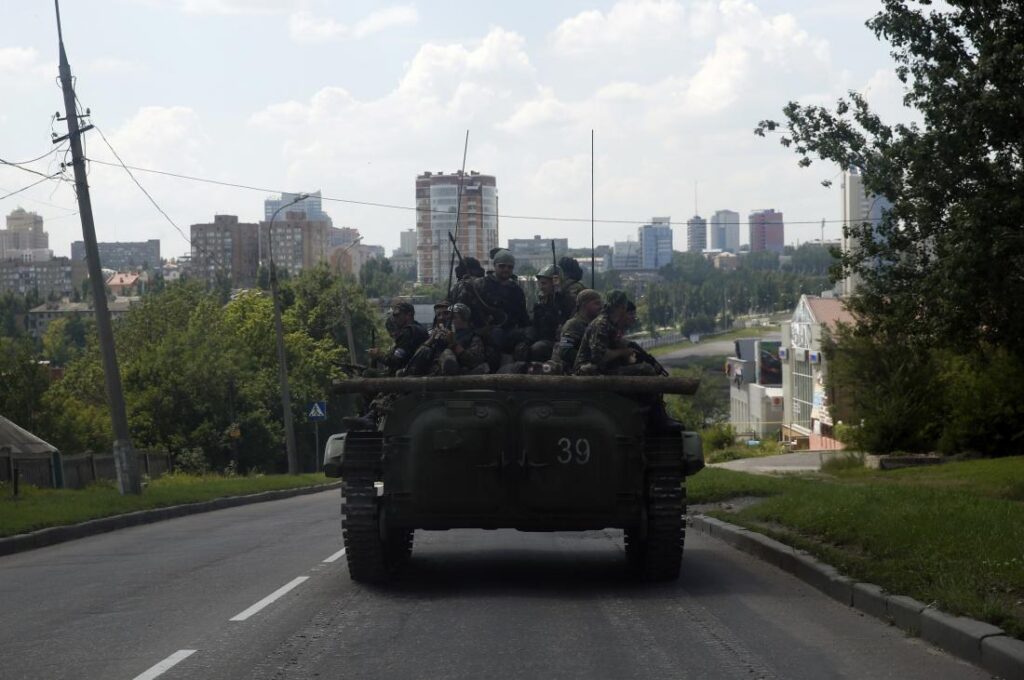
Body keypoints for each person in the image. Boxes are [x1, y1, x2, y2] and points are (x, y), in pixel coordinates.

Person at [573, 290, 657, 376]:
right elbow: (599, 357)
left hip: (601, 369)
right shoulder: (601, 324)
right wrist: (623, 352)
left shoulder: (610, 324)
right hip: (589, 371)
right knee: (646, 369)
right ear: (622, 307)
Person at [469, 248, 529, 353]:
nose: (506, 269)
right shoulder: (481, 285)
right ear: (495, 265)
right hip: (485, 334)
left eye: (510, 267)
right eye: (502, 266)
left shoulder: (517, 291)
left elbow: (523, 317)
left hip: (509, 334)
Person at [518, 264, 572, 361]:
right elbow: (535, 326)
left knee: (539, 348)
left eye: (544, 283)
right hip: (545, 339)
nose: (541, 287)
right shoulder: (541, 303)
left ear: (555, 283)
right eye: (540, 283)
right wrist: (526, 341)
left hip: (564, 341)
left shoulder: (567, 301)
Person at [365, 301, 428, 376]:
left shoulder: (408, 332)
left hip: (405, 376)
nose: (395, 318)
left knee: (367, 373)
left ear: (408, 315)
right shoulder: (420, 329)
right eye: (394, 315)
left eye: (397, 315)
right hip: (414, 373)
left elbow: (395, 362)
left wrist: (379, 356)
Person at [550, 289, 602, 374]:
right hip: (572, 372)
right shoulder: (572, 324)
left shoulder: (595, 324)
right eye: (596, 303)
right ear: (585, 305)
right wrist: (589, 359)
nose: (600, 307)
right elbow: (565, 351)